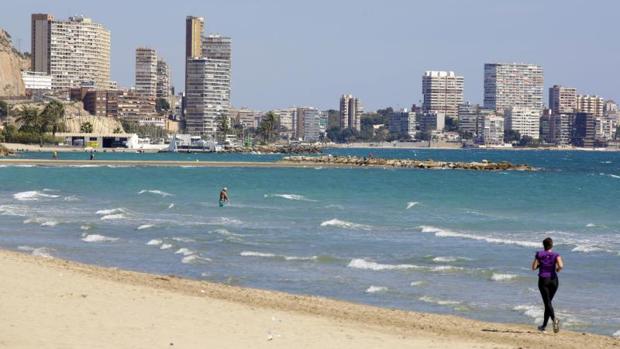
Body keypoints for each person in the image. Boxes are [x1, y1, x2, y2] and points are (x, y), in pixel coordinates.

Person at [531, 237, 564, 333]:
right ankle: (544, 326)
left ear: (543, 245)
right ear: (552, 245)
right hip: (554, 281)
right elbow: (561, 265)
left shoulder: (539, 254)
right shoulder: (556, 255)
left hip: (543, 281)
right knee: (548, 303)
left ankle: (554, 320)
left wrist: (539, 263)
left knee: (547, 303)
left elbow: (533, 267)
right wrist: (557, 269)